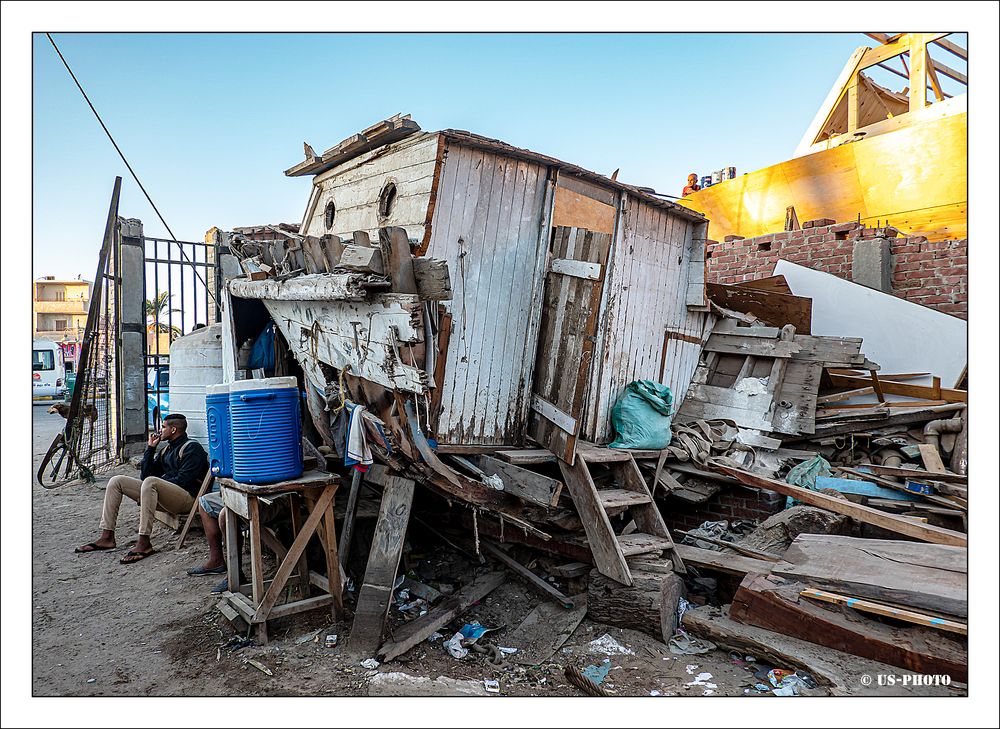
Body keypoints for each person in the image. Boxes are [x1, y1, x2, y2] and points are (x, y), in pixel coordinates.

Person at [75, 413, 208, 564]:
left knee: (152, 482)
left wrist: (158, 482)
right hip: (166, 495)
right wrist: (151, 448)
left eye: (163, 427)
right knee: (116, 481)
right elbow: (145, 476)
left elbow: (183, 481)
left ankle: (144, 541)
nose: (159, 431)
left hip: (189, 500)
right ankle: (107, 536)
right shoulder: (166, 450)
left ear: (173, 430)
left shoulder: (192, 448)